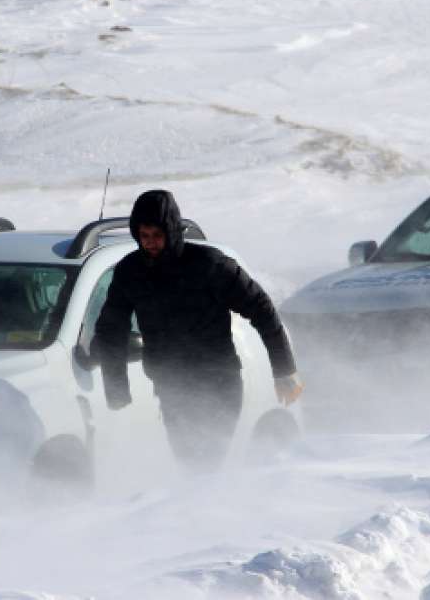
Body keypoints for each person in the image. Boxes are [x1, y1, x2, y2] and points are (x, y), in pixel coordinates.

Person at [92, 189, 303, 471]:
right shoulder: (131, 272)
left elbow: (261, 309)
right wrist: (116, 386)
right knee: (189, 465)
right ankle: (202, 509)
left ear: (171, 230)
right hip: (171, 386)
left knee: (207, 461)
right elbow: (111, 328)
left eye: (157, 235)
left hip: (219, 382)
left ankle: (213, 508)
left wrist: (283, 370)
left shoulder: (208, 265)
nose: (151, 243)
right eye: (144, 236)